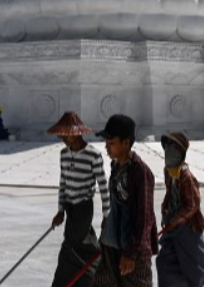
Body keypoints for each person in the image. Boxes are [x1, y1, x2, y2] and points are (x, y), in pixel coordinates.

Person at [48, 111, 109, 287]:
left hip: (84, 206)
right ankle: (91, 274)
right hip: (70, 207)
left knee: (72, 245)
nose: (64, 139)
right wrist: (60, 210)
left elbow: (103, 185)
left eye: (67, 135)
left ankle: (82, 276)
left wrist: (107, 214)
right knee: (80, 243)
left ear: (78, 133)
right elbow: (63, 184)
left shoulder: (93, 155)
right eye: (62, 135)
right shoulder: (64, 154)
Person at [96, 113, 157, 287]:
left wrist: (131, 253)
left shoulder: (140, 172)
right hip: (110, 247)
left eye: (111, 143)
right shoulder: (115, 167)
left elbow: (144, 218)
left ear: (126, 143)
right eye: (106, 143)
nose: (107, 147)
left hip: (133, 253)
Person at [156, 132, 204, 287]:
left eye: (172, 150)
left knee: (195, 265)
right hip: (172, 223)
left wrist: (176, 220)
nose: (168, 153)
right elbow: (169, 193)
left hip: (188, 226)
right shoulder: (168, 172)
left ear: (181, 154)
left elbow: (192, 205)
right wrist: (165, 210)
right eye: (166, 149)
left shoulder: (186, 176)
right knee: (165, 261)